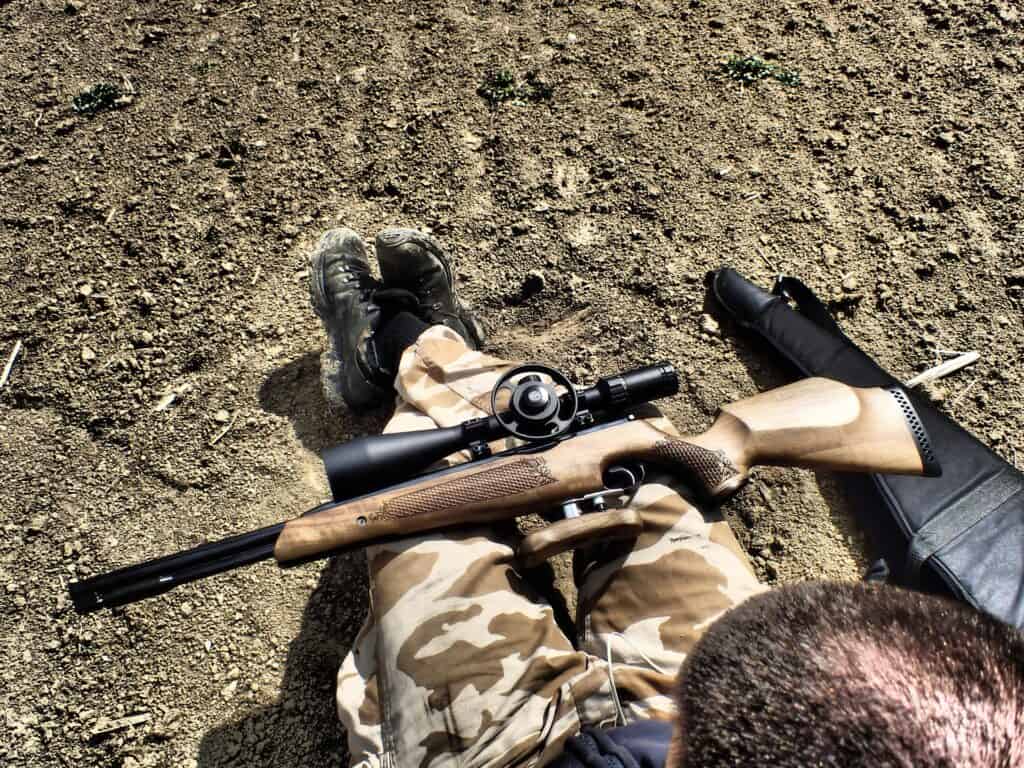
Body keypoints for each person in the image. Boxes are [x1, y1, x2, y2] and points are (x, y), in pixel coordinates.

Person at [308, 227, 1024, 768]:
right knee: (621, 453)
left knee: (422, 501)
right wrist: (705, 452)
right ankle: (438, 343)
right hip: (737, 706)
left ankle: (398, 352)